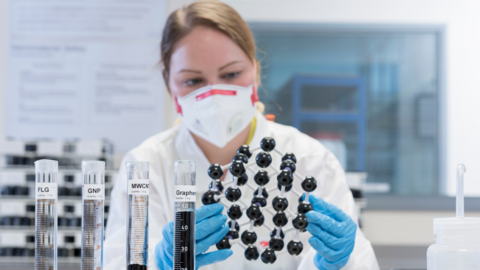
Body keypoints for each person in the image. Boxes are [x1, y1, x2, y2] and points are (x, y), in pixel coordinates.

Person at [104, 1, 380, 269]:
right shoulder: (145, 167)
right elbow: (117, 262)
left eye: (231, 74)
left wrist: (338, 263)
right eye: (193, 81)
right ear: (168, 82)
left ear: (255, 71)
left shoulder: (311, 160)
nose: (214, 95)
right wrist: (157, 263)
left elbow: (357, 259)